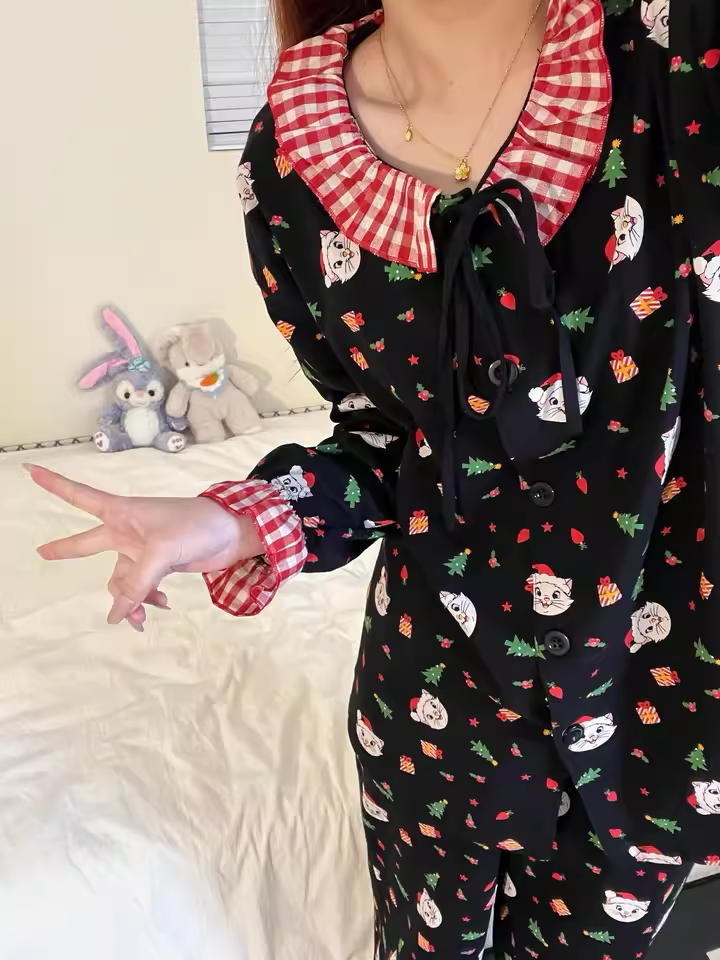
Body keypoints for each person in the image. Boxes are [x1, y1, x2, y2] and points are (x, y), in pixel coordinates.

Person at [28, 0, 720, 955]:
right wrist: (238, 521)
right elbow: (383, 439)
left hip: (654, 724)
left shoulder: (672, 59)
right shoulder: (290, 158)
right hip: (432, 719)